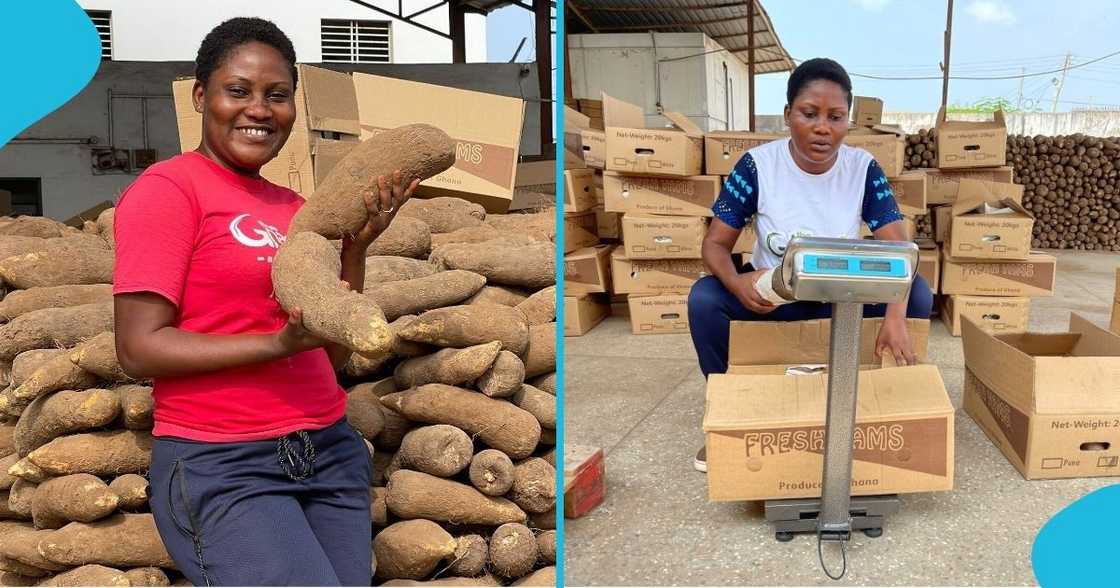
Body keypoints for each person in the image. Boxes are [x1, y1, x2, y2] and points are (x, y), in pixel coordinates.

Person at [112, 18, 418, 585]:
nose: (260, 109)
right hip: (224, 463)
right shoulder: (168, 191)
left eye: (277, 96)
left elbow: (329, 361)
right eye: (239, 91)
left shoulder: (295, 209)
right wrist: (277, 343)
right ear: (202, 96)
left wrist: (354, 251)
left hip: (326, 451)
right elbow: (138, 348)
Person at [688, 58, 933, 473]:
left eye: (836, 117)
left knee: (919, 294)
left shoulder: (862, 170)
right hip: (774, 301)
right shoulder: (757, 167)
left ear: (847, 122)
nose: (823, 127)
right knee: (704, 299)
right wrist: (736, 282)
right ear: (788, 116)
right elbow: (714, 245)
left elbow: (901, 251)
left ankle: (877, 410)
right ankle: (727, 420)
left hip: (845, 300)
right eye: (809, 114)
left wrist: (895, 315)